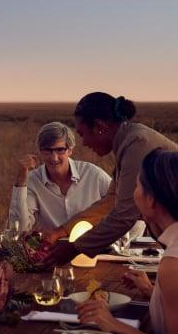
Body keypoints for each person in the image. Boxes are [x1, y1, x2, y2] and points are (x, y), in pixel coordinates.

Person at [77, 149, 178, 334]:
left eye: (136, 186)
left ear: (152, 199)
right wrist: (152, 291)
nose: (133, 192)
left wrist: (114, 325)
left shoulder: (173, 263)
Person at [43, 93, 177, 267]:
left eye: (83, 134)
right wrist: (60, 231)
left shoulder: (137, 144)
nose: (83, 142)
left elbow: (123, 215)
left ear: (99, 126)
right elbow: (110, 201)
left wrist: (75, 248)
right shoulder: (128, 143)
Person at [9, 121, 113, 232]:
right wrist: (20, 183)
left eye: (60, 150)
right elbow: (19, 229)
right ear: (40, 151)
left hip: (91, 247)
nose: (54, 158)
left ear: (70, 150)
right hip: (51, 248)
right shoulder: (33, 181)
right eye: (47, 150)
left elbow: (122, 205)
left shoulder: (93, 175)